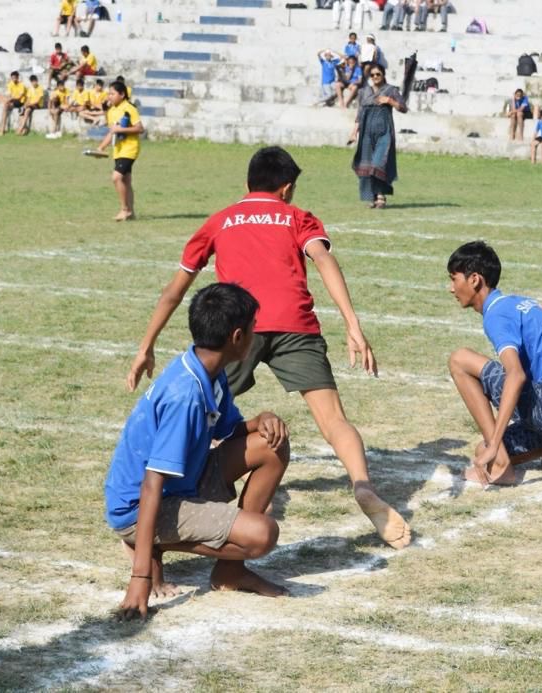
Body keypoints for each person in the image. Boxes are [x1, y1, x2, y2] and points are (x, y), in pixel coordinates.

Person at [126, 146, 413, 549]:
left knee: (202, 419)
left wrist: (146, 345)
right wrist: (353, 324)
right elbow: (324, 261)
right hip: (294, 320)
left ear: (247, 184)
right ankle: (363, 487)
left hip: (237, 329)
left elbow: (175, 289)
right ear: (288, 188)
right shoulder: (297, 217)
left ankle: (183, 496)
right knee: (333, 419)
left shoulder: (220, 219)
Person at [107, 283, 291, 621]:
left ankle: (230, 572)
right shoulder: (185, 396)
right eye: (253, 328)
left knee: (271, 444)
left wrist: (260, 420)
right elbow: (152, 482)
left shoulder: (208, 370)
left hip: (182, 484)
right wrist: (140, 578)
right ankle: (146, 547)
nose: (256, 335)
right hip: (141, 507)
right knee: (262, 534)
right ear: (237, 337)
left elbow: (226, 430)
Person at [446, 242, 542, 486]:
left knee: (460, 360)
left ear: (474, 279)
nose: (451, 288)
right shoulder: (519, 302)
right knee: (481, 450)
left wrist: (495, 444)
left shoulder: (496, 314)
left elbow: (516, 375)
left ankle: (501, 466)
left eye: (454, 279)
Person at [349, 64, 407, 208]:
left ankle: (381, 194)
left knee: (378, 163)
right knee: (366, 165)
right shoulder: (363, 92)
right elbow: (360, 114)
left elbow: (403, 108)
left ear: (383, 75)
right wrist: (354, 132)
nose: (375, 77)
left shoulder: (391, 90)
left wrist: (390, 101)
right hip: (366, 133)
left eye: (378, 74)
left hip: (384, 132)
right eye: (372, 75)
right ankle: (372, 196)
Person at [94, 82, 143, 221]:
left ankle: (124, 210)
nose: (109, 96)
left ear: (122, 94)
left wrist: (121, 129)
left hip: (130, 148)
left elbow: (140, 128)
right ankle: (131, 213)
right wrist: (101, 148)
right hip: (118, 150)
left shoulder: (129, 108)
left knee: (116, 177)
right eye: (109, 93)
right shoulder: (111, 111)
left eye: (112, 93)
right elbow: (112, 132)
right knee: (126, 180)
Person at [0, 71, 27, 136]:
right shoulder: (10, 84)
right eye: (12, 78)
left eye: (15, 78)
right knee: (5, 106)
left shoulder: (22, 85)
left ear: (18, 78)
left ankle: (2, 129)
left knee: (6, 103)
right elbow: (9, 94)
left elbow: (19, 97)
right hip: (13, 101)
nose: (13, 79)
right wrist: (7, 99)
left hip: (21, 102)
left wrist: (8, 99)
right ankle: (2, 129)